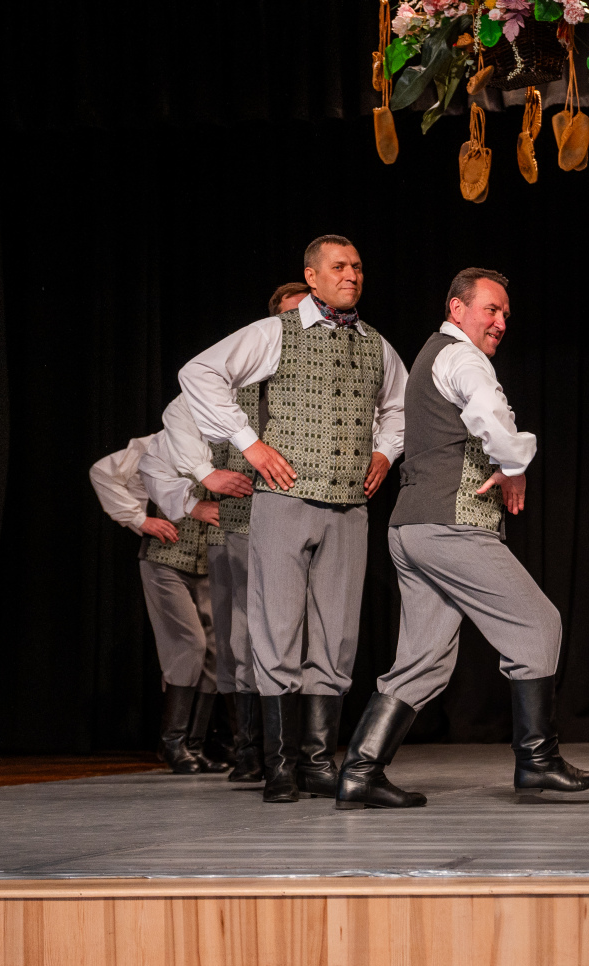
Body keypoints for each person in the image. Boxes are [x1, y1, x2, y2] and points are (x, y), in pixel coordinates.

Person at [336, 268, 589, 809]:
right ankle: (537, 760)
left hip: (411, 527)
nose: (500, 322)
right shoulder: (462, 358)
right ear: (457, 309)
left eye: (505, 314)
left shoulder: (432, 356)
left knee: (423, 659)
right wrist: (514, 464)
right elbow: (490, 417)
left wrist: (507, 464)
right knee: (537, 623)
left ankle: (360, 772)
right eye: (491, 309)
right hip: (448, 526)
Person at [179, 235, 408, 803]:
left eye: (357, 266)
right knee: (276, 627)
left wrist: (384, 452)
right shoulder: (275, 333)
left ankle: (317, 761)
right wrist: (249, 443)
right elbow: (199, 373)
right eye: (339, 266)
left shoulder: (376, 344)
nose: (351, 275)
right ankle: (278, 764)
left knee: (336, 635)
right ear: (312, 276)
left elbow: (398, 406)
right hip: (284, 501)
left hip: (348, 507)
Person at [163, 284, 310, 784]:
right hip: (242, 523)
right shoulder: (239, 377)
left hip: (304, 518)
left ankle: (297, 752)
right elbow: (178, 412)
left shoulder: (322, 375)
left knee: (300, 635)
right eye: (290, 317)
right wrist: (205, 475)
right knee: (241, 638)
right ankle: (250, 751)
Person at [89, 429, 222, 773]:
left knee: (215, 651)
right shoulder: (163, 441)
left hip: (207, 564)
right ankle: (173, 742)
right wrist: (139, 519)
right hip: (165, 561)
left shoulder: (227, 443)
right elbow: (102, 472)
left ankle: (194, 745)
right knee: (189, 644)